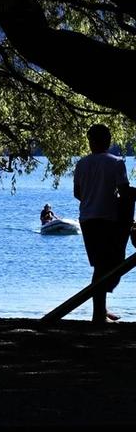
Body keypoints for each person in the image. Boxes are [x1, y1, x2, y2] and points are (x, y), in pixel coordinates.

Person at [73, 124, 134, 325]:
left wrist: (93, 196)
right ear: (108, 141)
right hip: (108, 219)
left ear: (91, 142)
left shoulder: (81, 164)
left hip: (87, 219)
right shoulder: (117, 163)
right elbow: (124, 192)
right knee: (108, 265)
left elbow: (77, 193)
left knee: (101, 265)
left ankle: (101, 309)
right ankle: (98, 314)